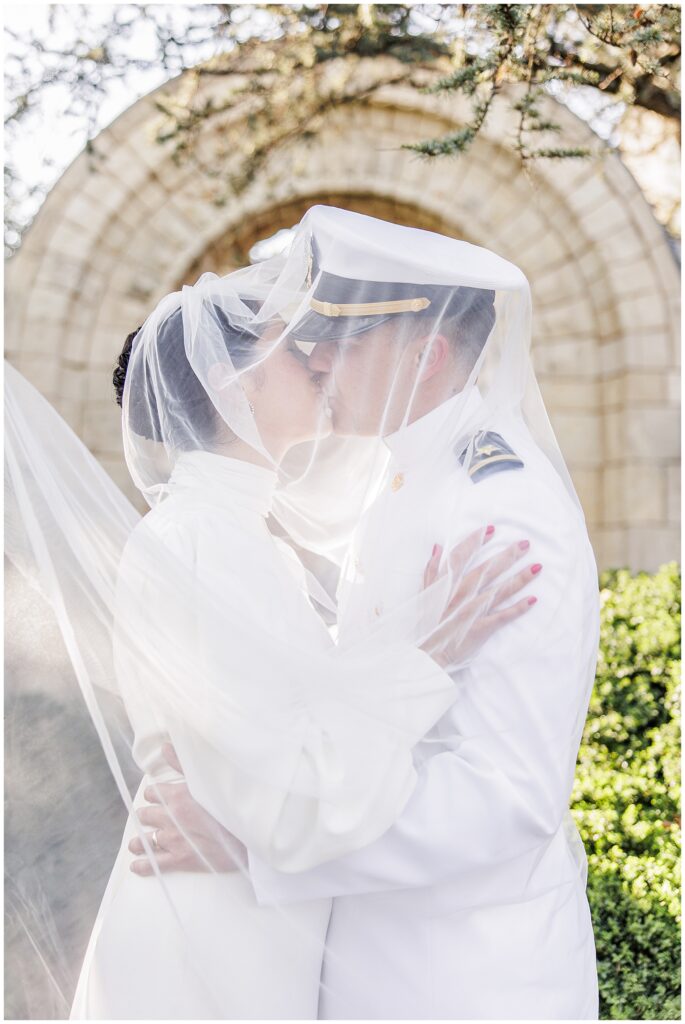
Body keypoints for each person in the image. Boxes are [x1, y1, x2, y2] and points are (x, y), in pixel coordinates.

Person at [5, 244, 539, 1019]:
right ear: (233, 384)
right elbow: (294, 789)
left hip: (249, 922)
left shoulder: (239, 535)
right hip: (206, 942)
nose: (320, 361)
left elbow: (283, 746)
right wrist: (431, 652)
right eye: (294, 349)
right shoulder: (199, 543)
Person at [132, 207, 601, 1019]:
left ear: (424, 355)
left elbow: (508, 796)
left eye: (342, 340)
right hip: (360, 962)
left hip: (462, 977)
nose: (313, 357)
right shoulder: (396, 481)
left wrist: (255, 853)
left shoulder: (499, 512)